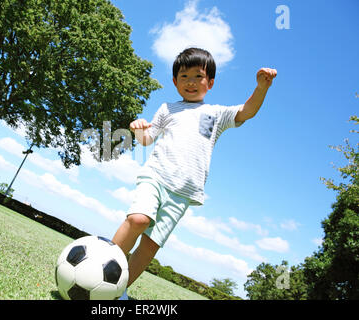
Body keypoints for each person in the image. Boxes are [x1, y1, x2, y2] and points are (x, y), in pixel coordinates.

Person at [112, 47, 277, 299]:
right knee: (138, 220)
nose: (190, 82)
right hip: (156, 176)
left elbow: (247, 111)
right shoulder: (168, 108)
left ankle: (118, 290)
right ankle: (100, 266)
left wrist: (262, 88)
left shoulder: (216, 114)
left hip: (183, 192)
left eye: (197, 76)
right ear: (175, 81)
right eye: (183, 76)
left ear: (210, 82)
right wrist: (137, 129)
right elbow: (147, 139)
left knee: (150, 244)